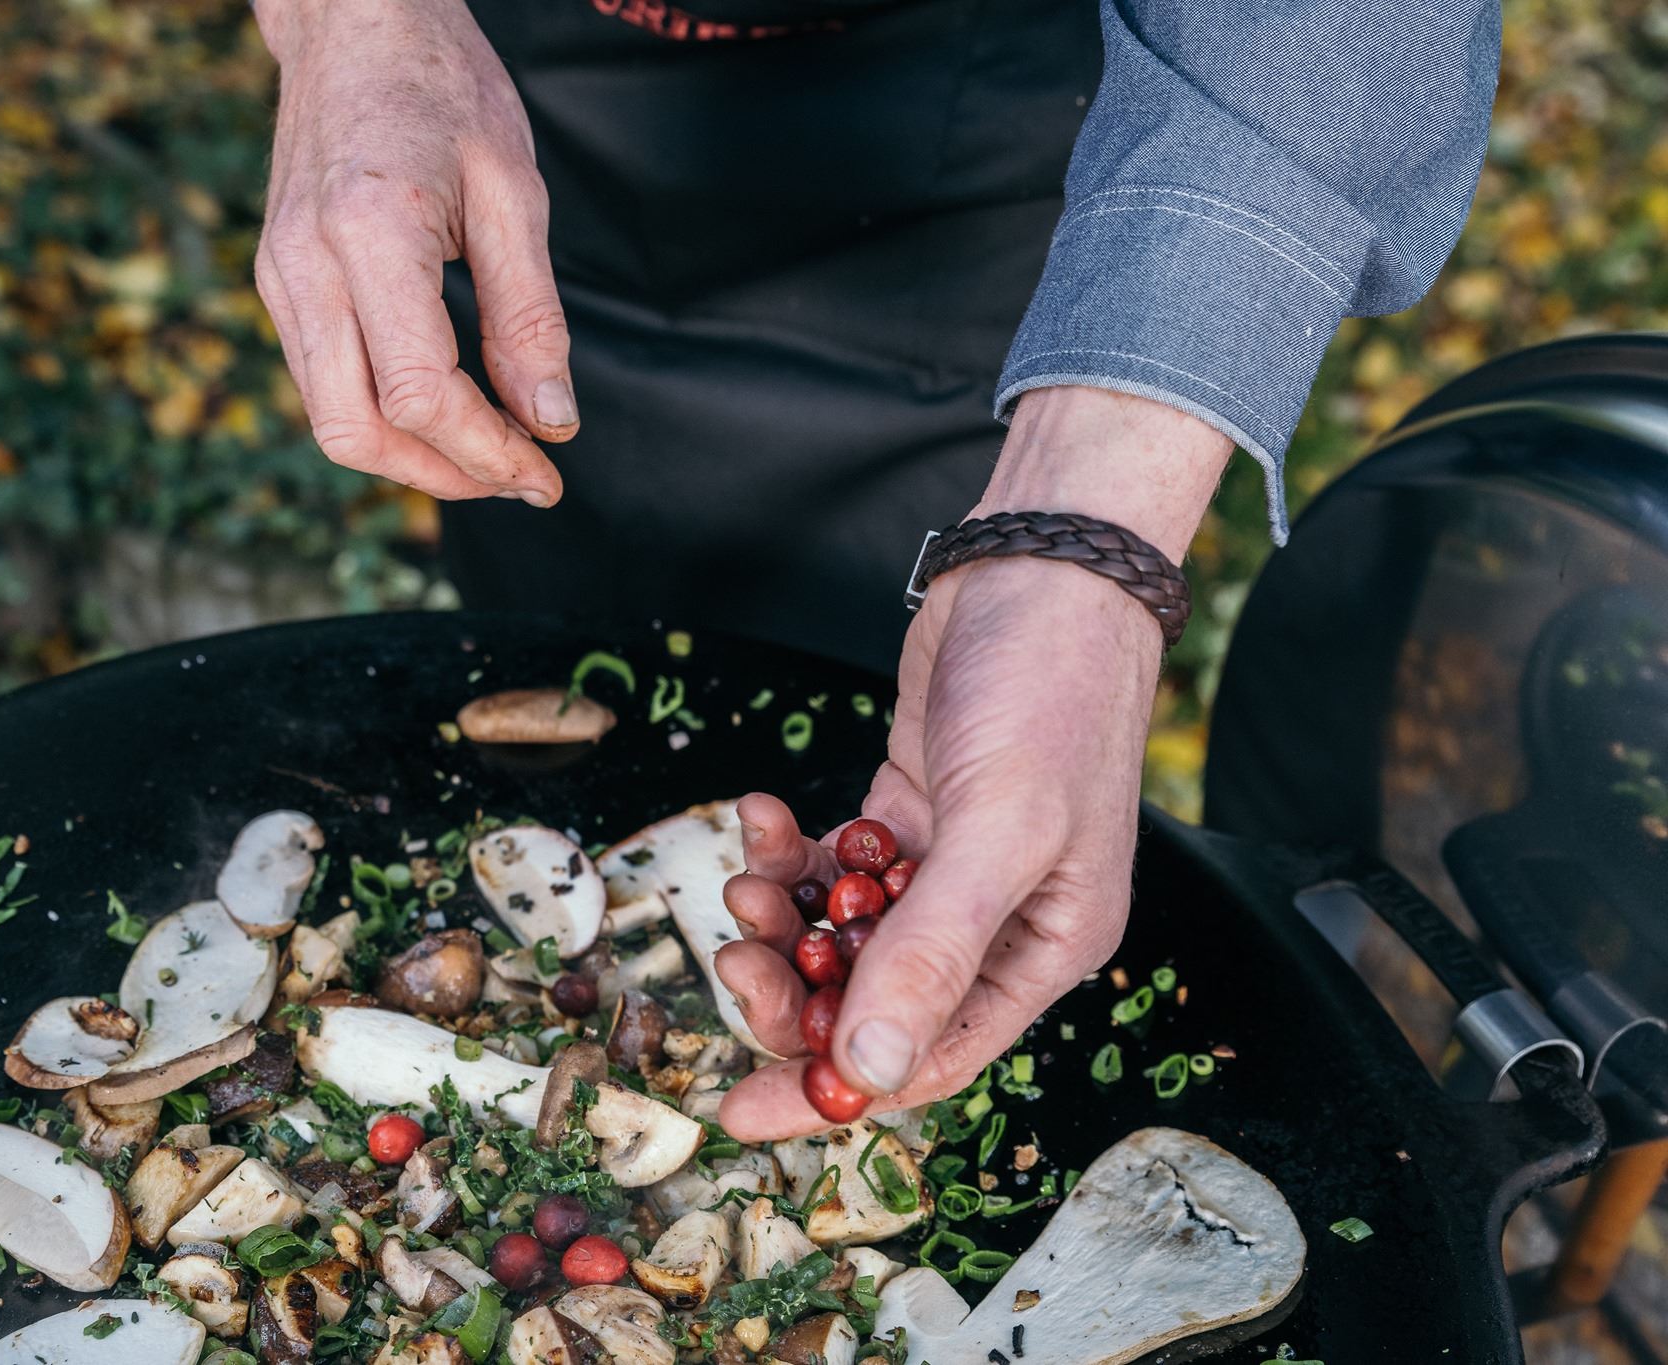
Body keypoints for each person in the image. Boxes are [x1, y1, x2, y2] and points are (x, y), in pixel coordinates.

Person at [251, 0, 1501, 1139]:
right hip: (506, 71)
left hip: (959, 128)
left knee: (872, 737)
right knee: (551, 598)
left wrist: (1076, 545)